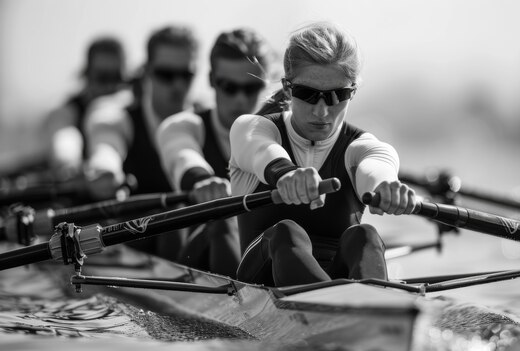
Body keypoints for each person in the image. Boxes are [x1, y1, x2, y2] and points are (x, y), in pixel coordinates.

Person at [230, 22, 418, 287]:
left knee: (365, 235)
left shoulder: (365, 147)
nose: (321, 111)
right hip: (258, 276)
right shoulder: (252, 128)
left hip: (334, 283)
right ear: (287, 88)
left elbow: (377, 169)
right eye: (307, 94)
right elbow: (262, 151)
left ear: (352, 91)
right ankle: (342, 307)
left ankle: (373, 304)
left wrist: (386, 189)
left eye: (336, 96)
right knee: (286, 232)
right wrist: (287, 174)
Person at [156, 28, 275, 276]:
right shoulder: (185, 126)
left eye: (251, 88)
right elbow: (181, 154)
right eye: (229, 87)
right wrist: (201, 181)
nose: (241, 100)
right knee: (222, 218)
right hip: (201, 258)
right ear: (211, 80)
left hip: (265, 254)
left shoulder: (280, 131)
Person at [85, 25, 199, 259]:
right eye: (166, 75)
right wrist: (105, 168)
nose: (177, 85)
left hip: (194, 242)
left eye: (185, 75)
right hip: (137, 243)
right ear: (147, 72)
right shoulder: (120, 117)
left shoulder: (205, 118)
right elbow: (107, 145)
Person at [42, 37, 126, 181]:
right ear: (87, 75)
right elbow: (64, 138)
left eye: (116, 78)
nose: (110, 86)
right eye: (102, 78)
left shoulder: (129, 110)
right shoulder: (67, 112)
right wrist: (69, 164)